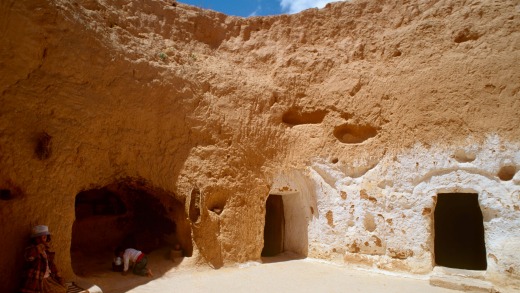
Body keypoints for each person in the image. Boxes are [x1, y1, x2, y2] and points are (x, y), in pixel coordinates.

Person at [19, 225, 66, 293]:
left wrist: (59, 277)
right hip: (36, 281)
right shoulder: (32, 249)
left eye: (44, 237)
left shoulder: (46, 252)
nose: (42, 239)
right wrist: (41, 246)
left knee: (62, 290)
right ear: (35, 239)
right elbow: (29, 256)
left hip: (46, 280)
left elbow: (51, 265)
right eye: (39, 238)